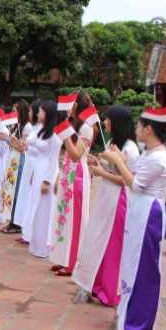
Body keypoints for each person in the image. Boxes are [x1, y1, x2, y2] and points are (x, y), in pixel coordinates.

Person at [99, 107, 166, 330]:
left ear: (148, 129)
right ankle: (128, 315)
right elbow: (134, 172)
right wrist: (119, 157)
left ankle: (139, 322)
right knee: (131, 264)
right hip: (140, 211)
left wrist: (117, 161)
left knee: (144, 268)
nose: (135, 129)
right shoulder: (148, 153)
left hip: (149, 214)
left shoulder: (159, 158)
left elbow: (135, 183)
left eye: (139, 125)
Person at [72, 106, 139, 307]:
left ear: (117, 122)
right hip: (105, 198)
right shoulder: (111, 143)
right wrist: (98, 164)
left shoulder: (130, 149)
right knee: (97, 240)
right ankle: (94, 283)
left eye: (108, 120)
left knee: (111, 245)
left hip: (119, 201)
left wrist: (102, 174)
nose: (105, 123)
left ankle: (109, 290)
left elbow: (128, 180)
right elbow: (110, 169)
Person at [49, 91, 94, 277]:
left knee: (75, 219)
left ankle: (73, 262)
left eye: (72, 104)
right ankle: (62, 257)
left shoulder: (87, 128)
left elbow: (76, 154)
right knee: (63, 217)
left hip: (78, 176)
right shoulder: (74, 125)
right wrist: (58, 177)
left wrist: (65, 135)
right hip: (68, 173)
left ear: (76, 106)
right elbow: (67, 155)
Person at [25, 100, 62, 258]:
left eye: (40, 111)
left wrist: (48, 180)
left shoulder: (55, 135)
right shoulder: (42, 132)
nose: (38, 114)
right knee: (35, 206)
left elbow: (54, 160)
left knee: (44, 209)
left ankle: (44, 246)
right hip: (38, 170)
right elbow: (37, 153)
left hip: (47, 173)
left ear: (48, 114)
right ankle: (36, 243)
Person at [0, 100, 31, 234]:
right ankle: (12, 220)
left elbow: (23, 148)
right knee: (11, 190)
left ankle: (16, 222)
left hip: (21, 160)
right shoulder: (16, 125)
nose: (13, 113)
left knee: (17, 191)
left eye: (15, 110)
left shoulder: (27, 127)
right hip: (13, 160)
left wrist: (9, 140)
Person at [13, 100, 42, 242]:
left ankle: (30, 232)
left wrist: (21, 145)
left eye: (32, 111)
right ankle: (25, 231)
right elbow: (26, 147)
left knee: (31, 198)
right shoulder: (34, 128)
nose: (30, 113)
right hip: (29, 163)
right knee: (25, 197)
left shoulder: (34, 129)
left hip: (34, 164)